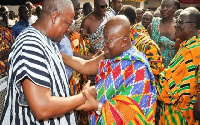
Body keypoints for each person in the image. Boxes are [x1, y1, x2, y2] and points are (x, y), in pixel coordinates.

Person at [0, 0, 97, 124]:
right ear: (54, 17)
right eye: (67, 23)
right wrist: (84, 96)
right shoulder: (30, 45)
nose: (69, 30)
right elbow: (42, 108)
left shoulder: (48, 41)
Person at [61, 15, 157, 125]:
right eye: (104, 39)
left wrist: (97, 106)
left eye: (108, 40)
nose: (103, 44)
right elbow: (85, 65)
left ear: (124, 41)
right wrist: (60, 55)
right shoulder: (111, 55)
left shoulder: (138, 68)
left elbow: (132, 116)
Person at [156, 7, 200, 124]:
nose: (176, 25)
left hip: (183, 114)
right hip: (170, 109)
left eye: (180, 22)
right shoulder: (184, 46)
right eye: (177, 21)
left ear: (192, 26)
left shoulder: (196, 49)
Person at [148, 0, 176, 68]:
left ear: (174, 8)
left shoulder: (178, 27)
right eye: (162, 6)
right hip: (153, 68)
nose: (164, 9)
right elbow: (146, 46)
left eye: (168, 6)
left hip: (171, 69)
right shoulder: (153, 25)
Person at [0, 25, 14, 121]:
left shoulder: (7, 32)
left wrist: (5, 52)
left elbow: (15, 47)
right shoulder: (7, 31)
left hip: (5, 75)